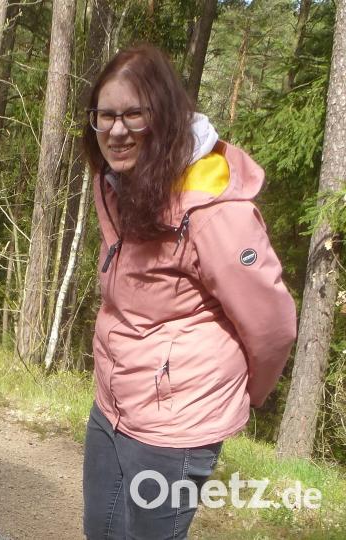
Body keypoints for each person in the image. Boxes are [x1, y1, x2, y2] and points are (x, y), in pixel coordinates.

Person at [81, 45, 297, 539]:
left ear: (165, 115)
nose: (116, 130)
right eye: (106, 115)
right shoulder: (114, 182)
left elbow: (273, 325)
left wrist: (243, 394)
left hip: (179, 422)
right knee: (102, 530)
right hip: (113, 402)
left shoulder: (213, 208)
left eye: (134, 114)